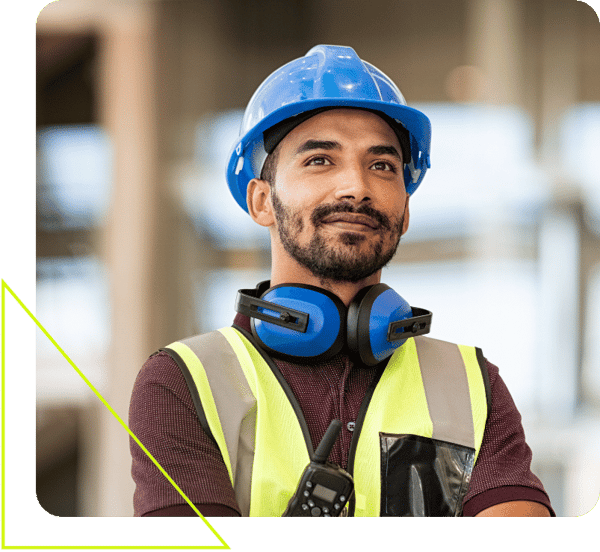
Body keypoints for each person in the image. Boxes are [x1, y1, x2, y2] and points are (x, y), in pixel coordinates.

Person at [129, 45, 553, 517]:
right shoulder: (184, 381)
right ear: (262, 202)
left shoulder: (473, 385)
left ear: (406, 210)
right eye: (320, 161)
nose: (356, 186)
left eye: (382, 165)